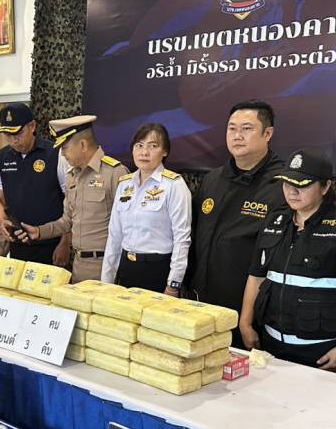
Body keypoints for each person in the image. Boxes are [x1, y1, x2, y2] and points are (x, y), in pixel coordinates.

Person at [239, 149, 336, 374]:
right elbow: (256, 276)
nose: (292, 191)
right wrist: (245, 323)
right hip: (270, 344)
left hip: (320, 350)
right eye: (287, 183)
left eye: (302, 184)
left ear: (325, 186)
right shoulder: (275, 221)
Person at [189, 100, 285, 344]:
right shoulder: (212, 179)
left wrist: (249, 319)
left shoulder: (282, 186)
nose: (237, 136)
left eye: (247, 129)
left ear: (268, 134)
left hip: (250, 314)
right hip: (202, 305)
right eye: (232, 128)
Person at [18, 115, 128, 283]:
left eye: (65, 148)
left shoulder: (115, 173)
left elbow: (128, 225)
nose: (62, 154)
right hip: (78, 265)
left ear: (83, 145)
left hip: (107, 265)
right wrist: (39, 232)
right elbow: (66, 221)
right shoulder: (71, 176)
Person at [101, 123, 191, 295]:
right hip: (127, 268)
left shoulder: (174, 185)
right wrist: (106, 281)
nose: (144, 152)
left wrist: (173, 284)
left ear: (165, 151)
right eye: (139, 145)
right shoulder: (125, 184)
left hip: (158, 270)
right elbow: (114, 236)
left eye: (153, 146)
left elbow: (182, 239)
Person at [0, 102, 68, 265]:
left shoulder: (55, 153)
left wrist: (65, 242)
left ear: (32, 126)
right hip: (18, 243)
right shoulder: (2, 157)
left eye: (18, 133)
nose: (14, 140)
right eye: (8, 135)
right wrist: (2, 221)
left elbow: (72, 202)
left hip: (51, 244)